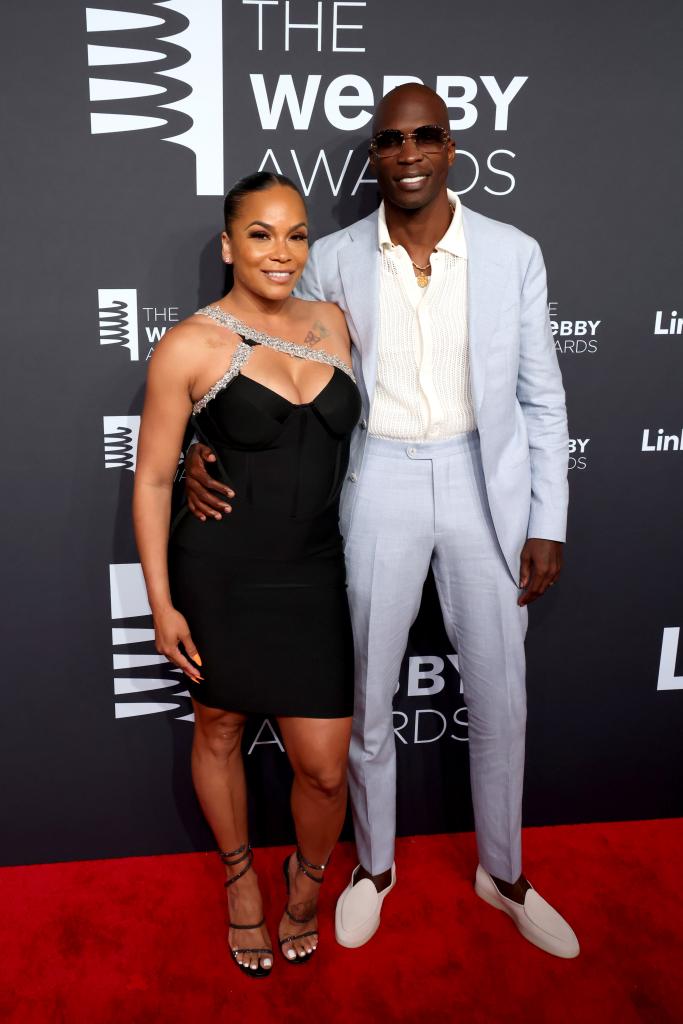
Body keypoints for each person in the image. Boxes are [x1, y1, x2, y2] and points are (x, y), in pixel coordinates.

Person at [184, 85, 580, 959]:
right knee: (364, 694)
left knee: (501, 697)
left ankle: (504, 873)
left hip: (484, 480)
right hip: (374, 483)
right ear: (374, 155)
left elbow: (542, 400)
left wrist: (545, 518)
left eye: (424, 137)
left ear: (449, 146)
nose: (407, 154)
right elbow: (268, 358)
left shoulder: (513, 254)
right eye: (390, 140)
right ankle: (371, 868)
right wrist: (203, 451)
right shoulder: (329, 257)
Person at [132, 171, 362, 978]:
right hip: (221, 573)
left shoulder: (335, 322)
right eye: (260, 234)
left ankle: (305, 878)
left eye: (296, 233)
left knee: (325, 768)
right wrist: (161, 605)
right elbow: (156, 479)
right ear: (229, 245)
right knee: (220, 729)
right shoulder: (190, 344)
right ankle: (239, 883)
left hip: (315, 571)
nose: (281, 250)